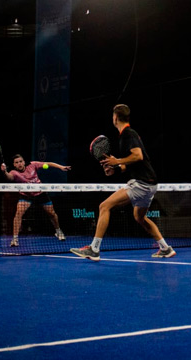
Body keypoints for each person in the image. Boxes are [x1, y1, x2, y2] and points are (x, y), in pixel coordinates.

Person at [70, 104, 175, 261]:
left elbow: (138, 156)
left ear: (115, 117)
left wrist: (116, 160)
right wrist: (116, 167)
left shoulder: (128, 134)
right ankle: (165, 248)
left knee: (104, 206)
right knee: (139, 217)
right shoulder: (127, 136)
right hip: (150, 184)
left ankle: (94, 249)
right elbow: (131, 162)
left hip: (141, 183)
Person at [1, 154, 71, 246]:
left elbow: (48, 164)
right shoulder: (14, 173)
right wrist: (4, 171)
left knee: (52, 213)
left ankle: (58, 231)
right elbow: (9, 177)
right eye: (17, 162)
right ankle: (15, 239)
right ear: (14, 165)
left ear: (24, 162)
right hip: (26, 195)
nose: (19, 164)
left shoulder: (32, 165)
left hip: (40, 193)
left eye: (21, 161)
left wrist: (61, 167)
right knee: (18, 214)